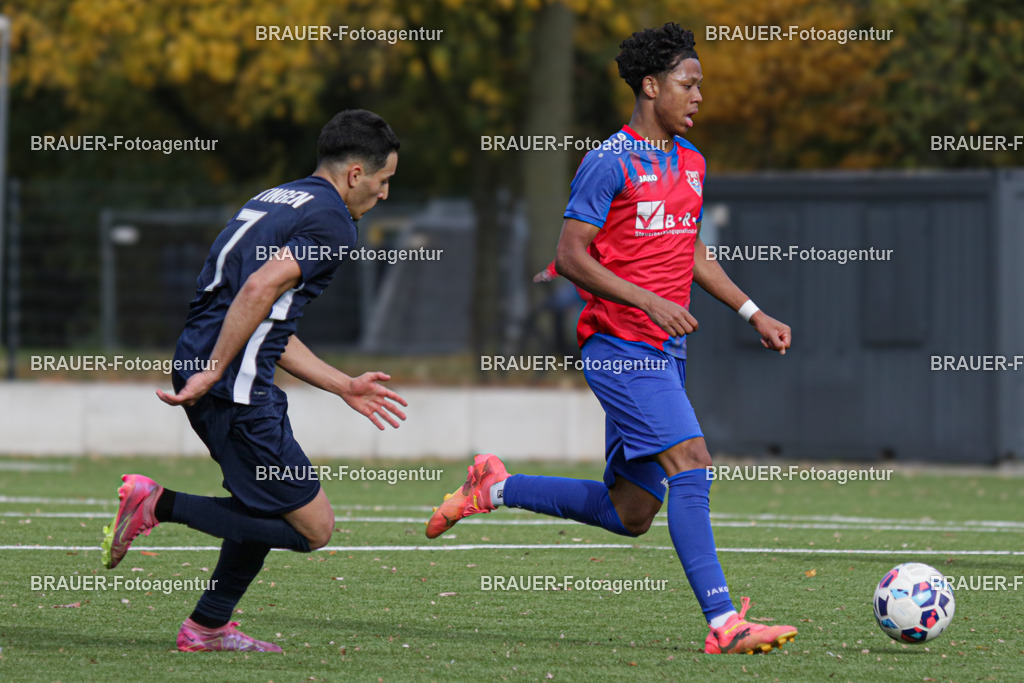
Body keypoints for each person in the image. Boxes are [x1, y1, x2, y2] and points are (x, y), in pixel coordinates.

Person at [425, 24, 798, 655]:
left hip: (666, 354)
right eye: (689, 84)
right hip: (621, 350)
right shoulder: (608, 162)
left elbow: (690, 250)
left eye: (700, 85)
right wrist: (650, 300)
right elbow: (570, 257)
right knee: (693, 467)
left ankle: (493, 487)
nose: (699, 96)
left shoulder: (692, 161)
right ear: (651, 87)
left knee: (630, 514)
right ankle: (723, 623)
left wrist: (750, 310)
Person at [100, 109, 408, 653]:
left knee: (264, 503)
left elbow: (268, 320)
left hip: (220, 370)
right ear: (356, 173)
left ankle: (207, 626)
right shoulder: (333, 221)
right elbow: (257, 291)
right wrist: (218, 367)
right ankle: (157, 504)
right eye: (384, 181)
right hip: (234, 386)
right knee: (313, 528)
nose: (384, 194)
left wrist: (342, 385)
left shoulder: (277, 198)